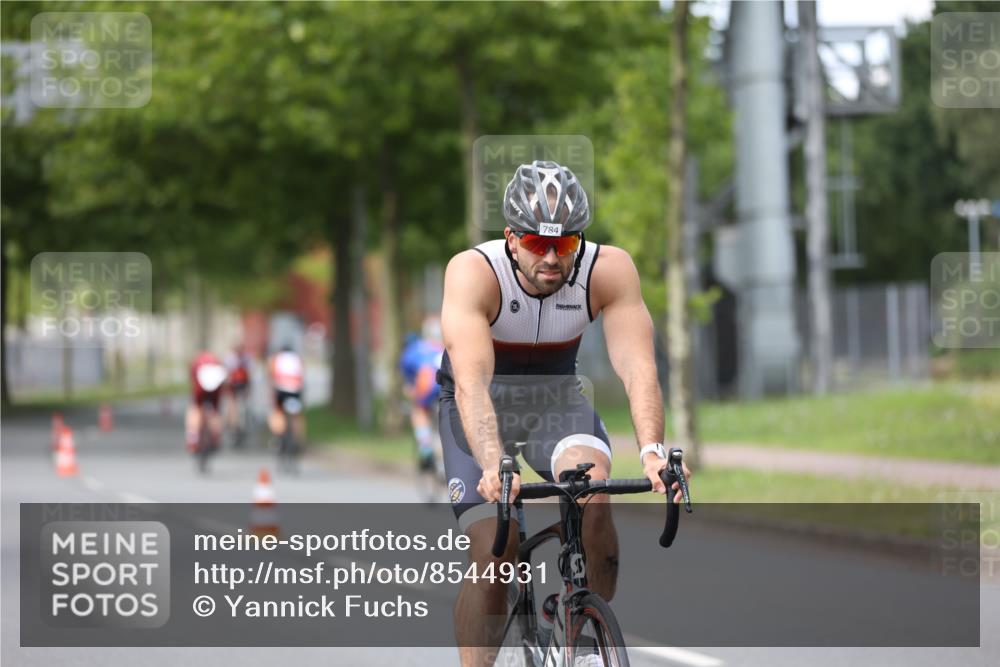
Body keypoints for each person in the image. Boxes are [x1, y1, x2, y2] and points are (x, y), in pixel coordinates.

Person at [438, 160, 692, 666]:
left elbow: (638, 366)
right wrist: (493, 466)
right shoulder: (473, 272)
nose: (552, 257)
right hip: (479, 406)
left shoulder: (608, 269)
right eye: (537, 244)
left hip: (555, 400)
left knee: (593, 491)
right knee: (495, 555)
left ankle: (579, 624)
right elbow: (471, 384)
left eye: (566, 244)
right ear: (512, 239)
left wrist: (651, 452)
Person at [399, 321, 445, 471]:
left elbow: (407, 372)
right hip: (447, 385)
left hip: (427, 386)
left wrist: (410, 388)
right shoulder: (449, 346)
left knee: (418, 410)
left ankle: (425, 448)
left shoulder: (416, 348)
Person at [186, 350, 227, 453]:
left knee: (196, 408)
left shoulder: (212, 367)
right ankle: (196, 436)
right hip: (203, 381)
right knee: (199, 409)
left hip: (206, 381)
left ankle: (196, 437)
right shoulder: (199, 366)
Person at [267, 343, 306, 445]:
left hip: (281, 389)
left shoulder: (277, 358)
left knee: (278, 412)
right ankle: (298, 440)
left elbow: (271, 374)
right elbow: (302, 375)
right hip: (295, 390)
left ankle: (278, 437)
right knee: (297, 415)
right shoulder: (297, 359)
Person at [224, 342, 252, 434]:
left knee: (232, 403)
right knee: (236, 402)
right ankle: (236, 422)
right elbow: (249, 374)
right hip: (242, 384)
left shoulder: (230, 358)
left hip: (234, 384)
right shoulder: (246, 358)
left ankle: (232, 422)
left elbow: (227, 373)